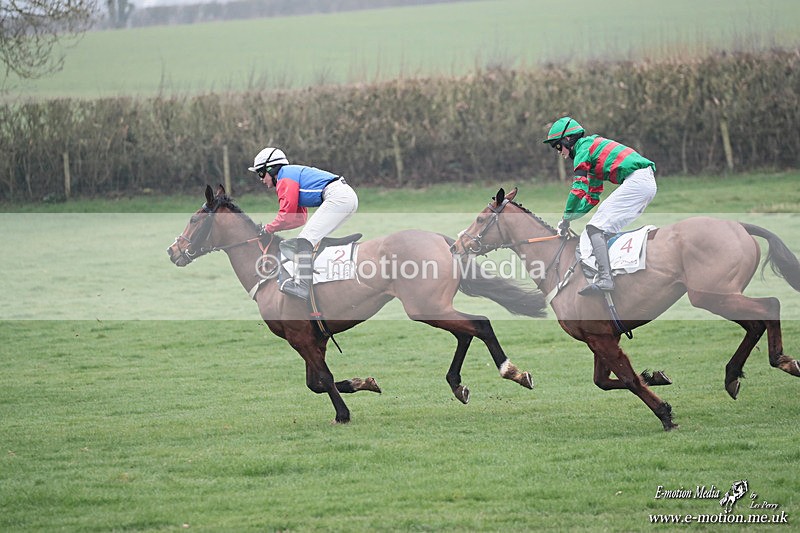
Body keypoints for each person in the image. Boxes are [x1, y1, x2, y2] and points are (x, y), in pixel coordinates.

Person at [543, 116, 657, 295]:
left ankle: (605, 278)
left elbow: (577, 189)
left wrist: (565, 219)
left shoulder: (582, 149)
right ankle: (616, 270)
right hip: (644, 182)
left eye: (557, 145)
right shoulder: (591, 153)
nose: (558, 151)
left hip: (638, 182)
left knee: (595, 228)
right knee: (600, 228)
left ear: (568, 139)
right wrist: (571, 218)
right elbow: (591, 198)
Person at [248, 147, 358, 300]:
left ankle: (302, 288)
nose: (261, 179)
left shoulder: (284, 178)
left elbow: (285, 215)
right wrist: (271, 229)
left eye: (261, 173)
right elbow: (299, 218)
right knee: (309, 239)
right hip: (344, 196)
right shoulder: (289, 175)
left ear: (272, 169)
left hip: (338, 197)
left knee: (305, 240)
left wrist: (268, 229)